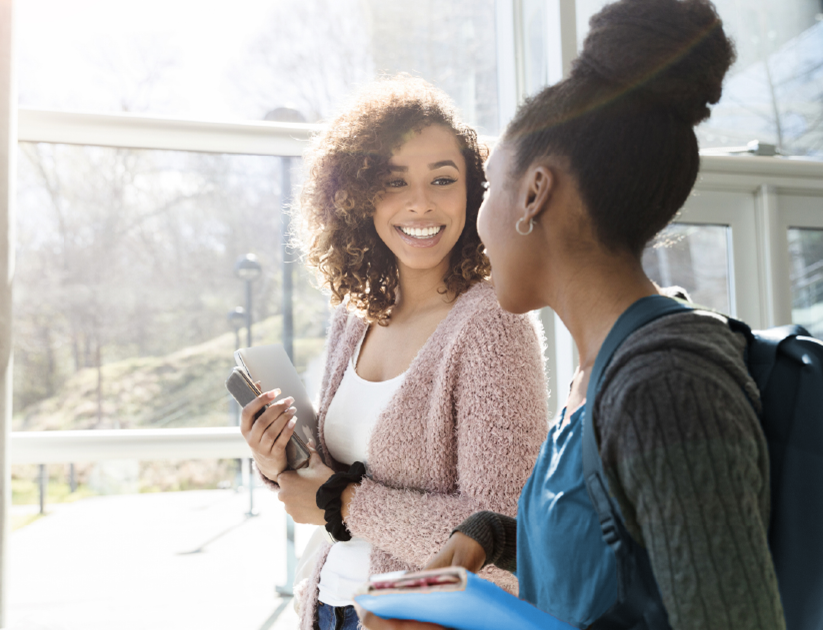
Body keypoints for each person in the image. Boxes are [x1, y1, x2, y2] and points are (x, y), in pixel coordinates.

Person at [360, 1, 786, 629]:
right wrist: (488, 537)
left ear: (534, 193)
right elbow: (614, 558)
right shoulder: (604, 373)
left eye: (489, 191)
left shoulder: (665, 387)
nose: (477, 223)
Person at [238, 76, 550, 630]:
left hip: (416, 621)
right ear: (359, 198)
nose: (421, 203)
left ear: (473, 193)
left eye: (443, 179)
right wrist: (276, 460)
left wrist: (343, 501)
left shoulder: (494, 327)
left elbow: (502, 535)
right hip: (327, 607)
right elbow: (326, 480)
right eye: (394, 181)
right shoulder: (353, 318)